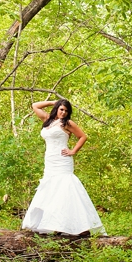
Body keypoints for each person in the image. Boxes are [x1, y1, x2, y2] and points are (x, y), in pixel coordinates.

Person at [21, 99, 106, 235]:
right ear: (57, 109)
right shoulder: (48, 119)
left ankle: (79, 227)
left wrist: (73, 151)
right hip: (50, 160)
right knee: (51, 190)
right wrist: (52, 102)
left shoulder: (67, 123)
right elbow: (34, 106)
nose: (63, 112)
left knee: (65, 188)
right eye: (61, 109)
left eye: (66, 111)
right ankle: (55, 224)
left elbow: (83, 137)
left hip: (63, 159)